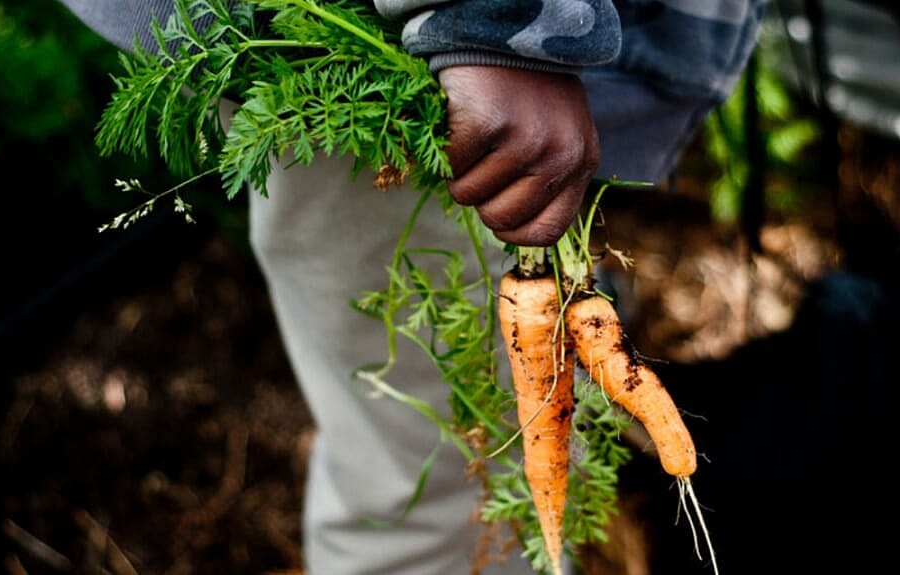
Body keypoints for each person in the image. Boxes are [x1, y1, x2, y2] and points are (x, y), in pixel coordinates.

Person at [55, 0, 765, 573]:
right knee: (425, 512)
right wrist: (491, 26)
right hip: (412, 62)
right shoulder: (480, 41)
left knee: (510, 444)